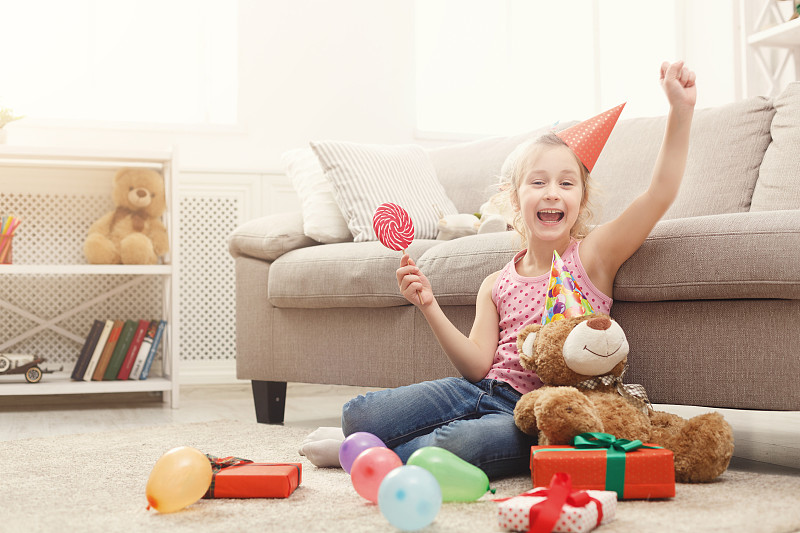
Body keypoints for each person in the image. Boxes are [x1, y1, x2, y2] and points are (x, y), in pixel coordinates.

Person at [303, 61, 696, 478]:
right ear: (514, 197)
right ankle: (367, 439)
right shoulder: (496, 282)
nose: (552, 193)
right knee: (357, 413)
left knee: (457, 444)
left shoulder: (594, 256)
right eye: (538, 182)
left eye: (567, 183)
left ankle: (373, 455)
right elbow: (476, 365)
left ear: (582, 197)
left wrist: (681, 110)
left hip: (530, 415)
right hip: (476, 390)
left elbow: (660, 193)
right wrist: (428, 305)